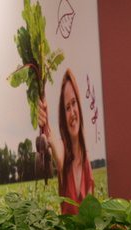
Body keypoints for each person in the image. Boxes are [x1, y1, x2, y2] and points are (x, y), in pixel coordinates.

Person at [36, 68, 93, 214]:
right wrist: (45, 120)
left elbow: (93, 214)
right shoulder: (62, 151)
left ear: (79, 105)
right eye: (67, 108)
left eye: (74, 103)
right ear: (63, 115)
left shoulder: (86, 161)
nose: (72, 113)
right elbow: (54, 145)